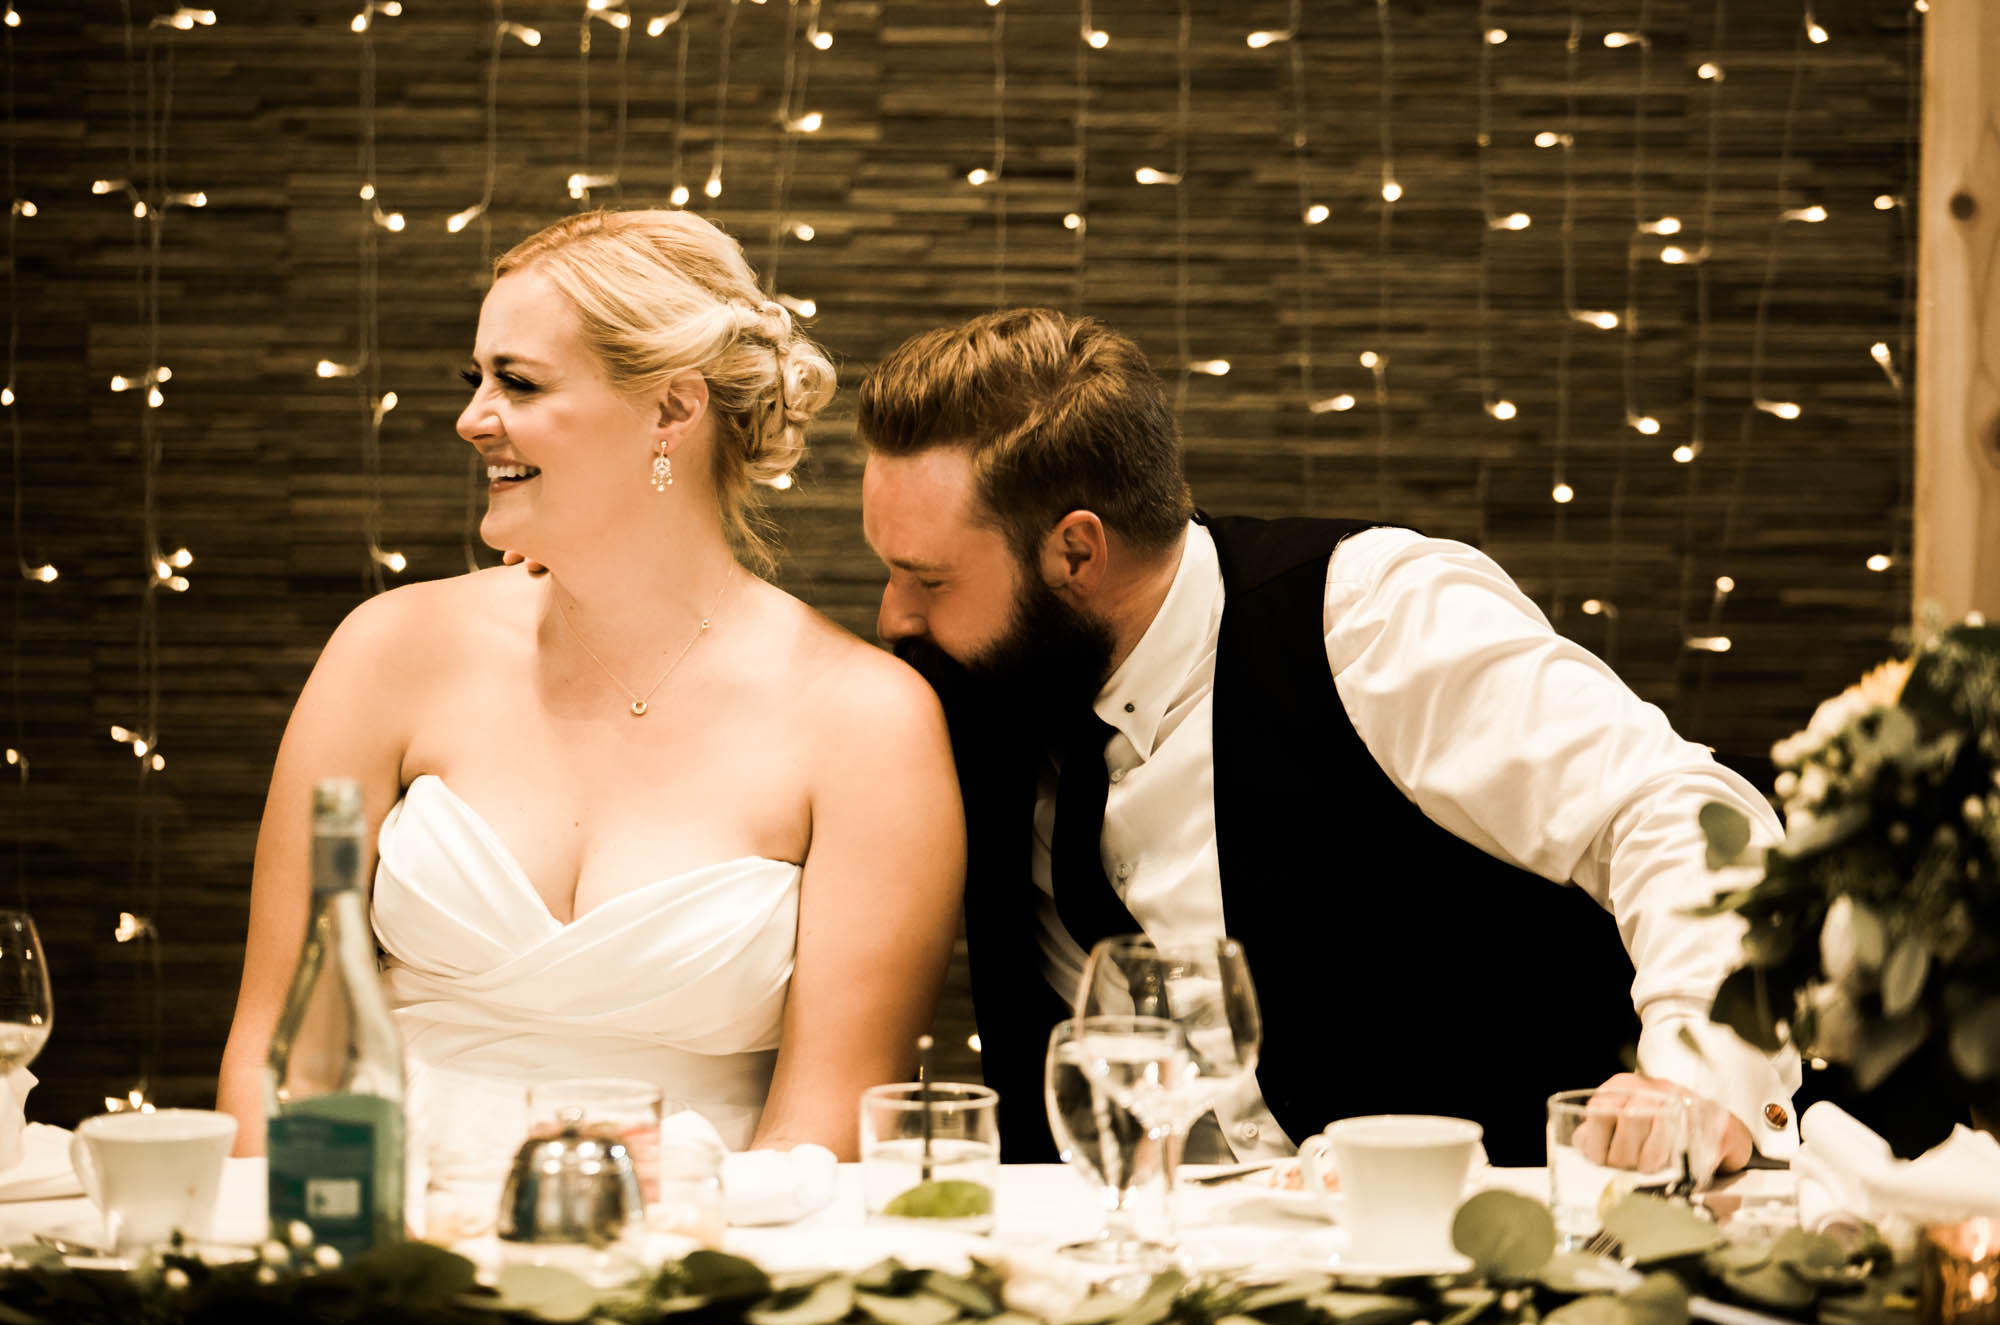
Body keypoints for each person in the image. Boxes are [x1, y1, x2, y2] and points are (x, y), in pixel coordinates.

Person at [855, 306, 1800, 1170]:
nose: (894, 615)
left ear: (1076, 551)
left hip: (1485, 1236)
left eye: (928, 579)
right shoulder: (972, 692)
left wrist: (1697, 1078)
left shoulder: (1373, 616)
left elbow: (1679, 811)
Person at [217, 210, 964, 1176]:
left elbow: (819, 1136)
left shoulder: (866, 720)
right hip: (376, 1222)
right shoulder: (388, 650)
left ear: (672, 410)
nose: (473, 418)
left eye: (519, 382)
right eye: (476, 380)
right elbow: (272, 1050)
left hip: (709, 1240)